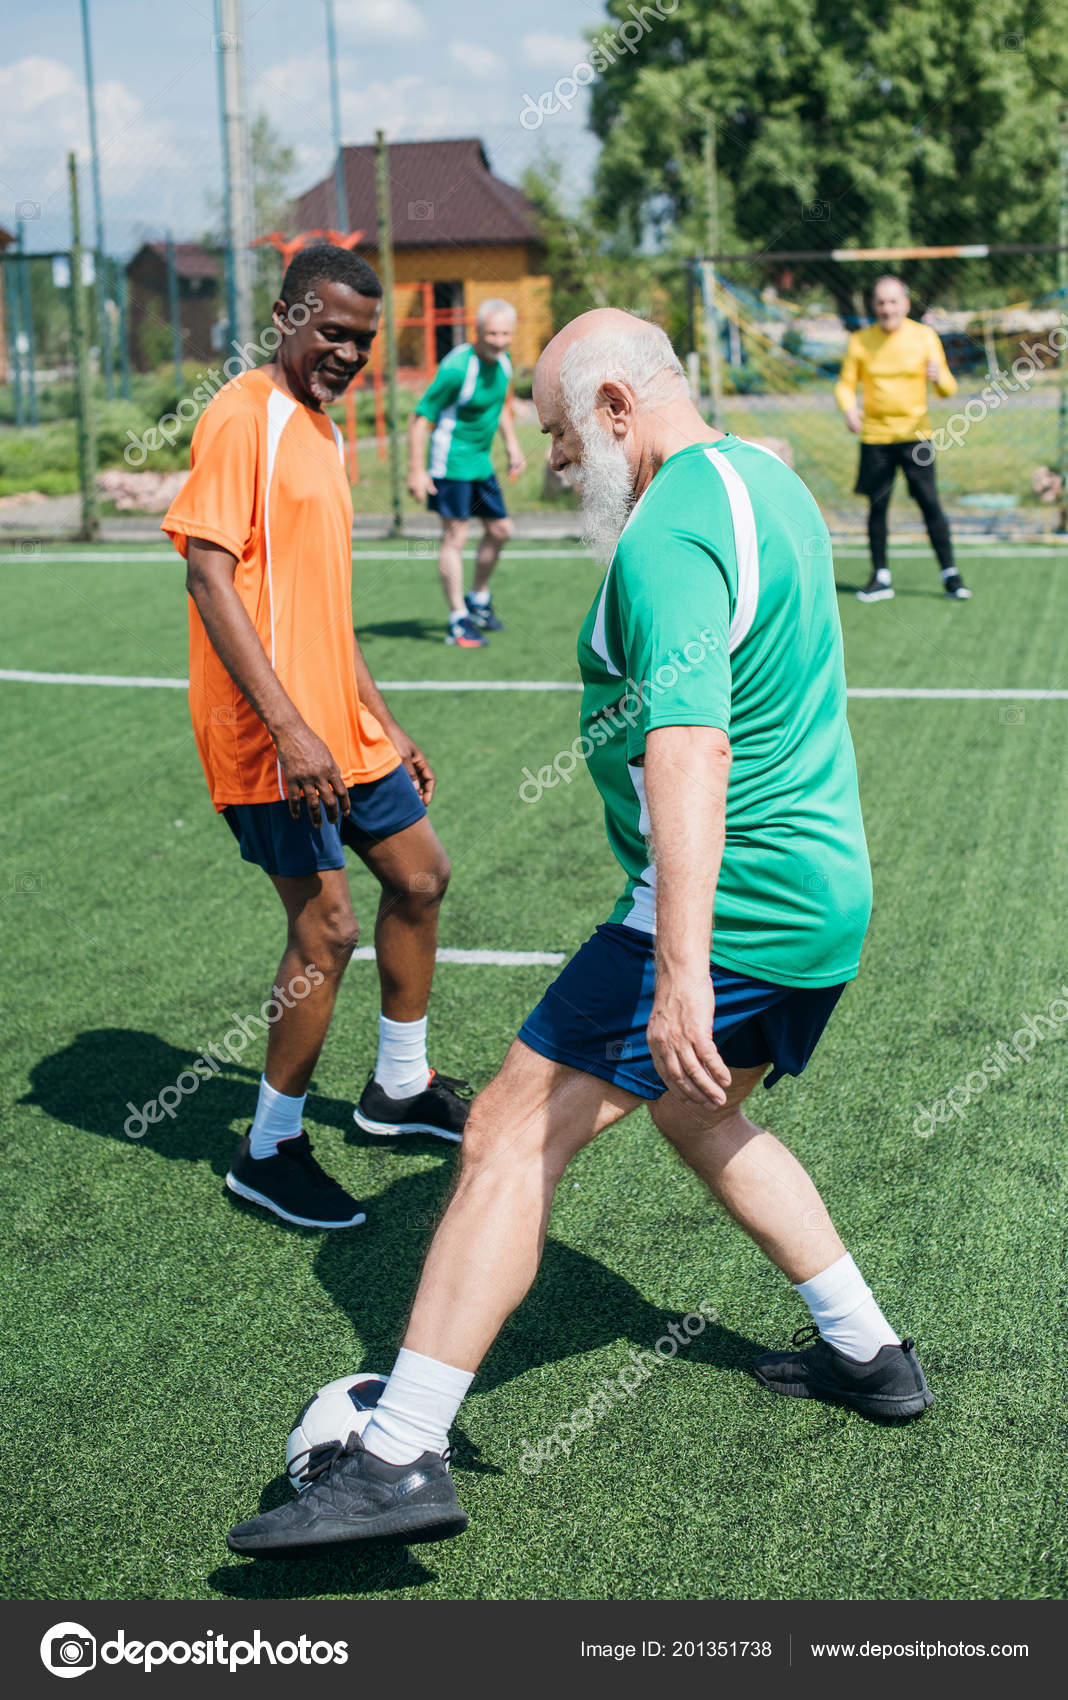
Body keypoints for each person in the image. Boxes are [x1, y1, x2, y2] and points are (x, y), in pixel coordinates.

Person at [226, 308, 931, 1556]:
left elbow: (690, 744)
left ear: (616, 404)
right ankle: (868, 1350)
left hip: (731, 905)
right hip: (827, 897)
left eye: (557, 431)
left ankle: (397, 1456)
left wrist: (676, 971)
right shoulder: (765, 474)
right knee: (695, 1106)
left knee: (504, 1128)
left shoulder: (664, 538)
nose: (551, 463)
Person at [162, 245, 471, 1234]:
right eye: (331, 330)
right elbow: (208, 577)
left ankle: (397, 1088)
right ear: (289, 314)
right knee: (327, 928)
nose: (347, 352)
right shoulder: (240, 414)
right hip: (265, 736)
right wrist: (292, 727)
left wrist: (379, 716)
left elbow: (321, 608)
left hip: (339, 723)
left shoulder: (324, 433)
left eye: (363, 340)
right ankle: (269, 1147)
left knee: (420, 875)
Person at [836, 275, 970, 601]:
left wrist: (940, 378)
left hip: (916, 438)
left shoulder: (924, 337)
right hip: (876, 439)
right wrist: (849, 408)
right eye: (881, 302)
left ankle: (950, 574)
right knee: (877, 506)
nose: (887, 308)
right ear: (873, 305)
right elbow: (844, 384)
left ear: (906, 305)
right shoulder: (860, 341)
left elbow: (948, 388)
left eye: (893, 302)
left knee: (929, 503)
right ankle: (881, 577)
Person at [407, 299, 526, 647]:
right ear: (478, 331)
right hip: (450, 464)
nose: (499, 340)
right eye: (492, 333)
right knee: (455, 538)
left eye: (505, 333)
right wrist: (417, 472)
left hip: (479, 463)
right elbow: (420, 418)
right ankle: (458, 619)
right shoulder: (458, 368)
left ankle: (478, 599)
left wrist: (513, 446)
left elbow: (500, 407)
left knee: (501, 529)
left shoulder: (503, 363)